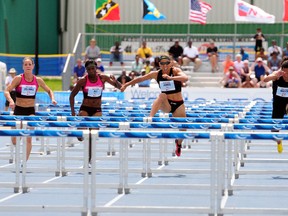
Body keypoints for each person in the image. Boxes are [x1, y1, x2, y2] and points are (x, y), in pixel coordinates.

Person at [121, 55, 188, 157]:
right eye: (162, 63)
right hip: (166, 104)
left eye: (167, 63)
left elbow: (185, 78)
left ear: (170, 63)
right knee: (162, 95)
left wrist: (171, 78)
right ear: (159, 64)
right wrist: (126, 84)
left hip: (178, 104)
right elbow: (140, 79)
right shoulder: (156, 74)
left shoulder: (175, 71)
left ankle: (178, 144)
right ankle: (150, 117)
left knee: (184, 128)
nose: (165, 65)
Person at [69, 59, 122, 165]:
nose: (91, 71)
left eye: (93, 68)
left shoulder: (103, 78)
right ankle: (80, 132)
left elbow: (120, 87)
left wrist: (115, 81)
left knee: (92, 135)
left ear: (96, 68)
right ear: (86, 70)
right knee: (81, 137)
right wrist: (73, 112)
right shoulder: (83, 81)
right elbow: (72, 96)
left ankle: (89, 159)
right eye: (89, 69)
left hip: (97, 110)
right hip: (85, 108)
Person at [4, 57, 57, 161]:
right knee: (14, 139)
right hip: (18, 110)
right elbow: (7, 91)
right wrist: (11, 101)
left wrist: (53, 99)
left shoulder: (38, 80)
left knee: (29, 138)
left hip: (30, 111)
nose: (28, 66)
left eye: (29, 64)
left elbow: (49, 90)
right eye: (26, 64)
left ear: (33, 66)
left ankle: (24, 161)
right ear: (23, 66)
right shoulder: (18, 78)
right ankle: (16, 146)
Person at [263, 58, 288, 153]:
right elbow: (265, 79)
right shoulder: (277, 75)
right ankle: (279, 141)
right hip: (278, 105)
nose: (285, 75)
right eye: (284, 72)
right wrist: (275, 76)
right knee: (274, 131)